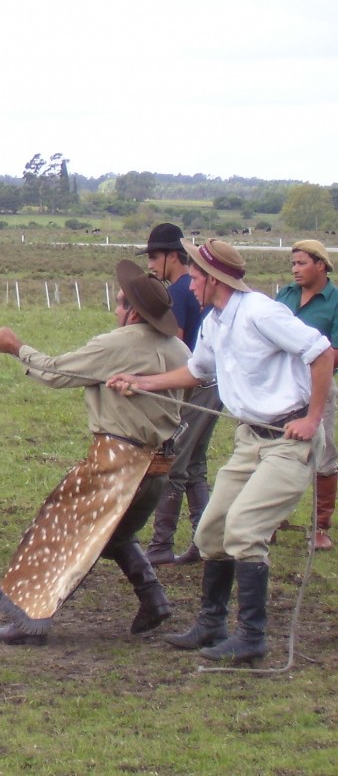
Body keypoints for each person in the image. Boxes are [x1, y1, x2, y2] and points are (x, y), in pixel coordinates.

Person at [109, 238, 333, 663]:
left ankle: (252, 637)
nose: (190, 284)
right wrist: (139, 381)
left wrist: (313, 418)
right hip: (250, 439)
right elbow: (197, 370)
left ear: (214, 279)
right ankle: (212, 623)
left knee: (245, 530)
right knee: (211, 532)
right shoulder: (214, 321)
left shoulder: (261, 312)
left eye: (195, 276)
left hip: (288, 441)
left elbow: (320, 353)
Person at [0, 260, 190, 645]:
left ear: (131, 310)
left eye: (117, 303)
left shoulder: (117, 345)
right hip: (158, 468)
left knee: (59, 534)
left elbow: (55, 372)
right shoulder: (179, 348)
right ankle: (154, 598)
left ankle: (30, 621)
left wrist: (16, 348)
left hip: (117, 464)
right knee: (113, 533)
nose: (114, 311)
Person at [138, 223, 222, 566]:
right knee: (196, 466)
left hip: (193, 388)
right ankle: (206, 542)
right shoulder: (194, 287)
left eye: (156, 256)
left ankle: (161, 544)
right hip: (214, 386)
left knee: (172, 465)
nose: (151, 264)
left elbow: (176, 343)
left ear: (175, 256)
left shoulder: (179, 291)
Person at [275, 239, 338, 551]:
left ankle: (321, 526)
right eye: (293, 263)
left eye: (302, 263)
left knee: (323, 452)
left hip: (318, 385)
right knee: (274, 445)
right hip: (280, 383)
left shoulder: (336, 301)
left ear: (321, 265)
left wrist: (310, 361)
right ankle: (272, 517)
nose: (295, 270)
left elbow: (335, 351)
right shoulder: (285, 295)